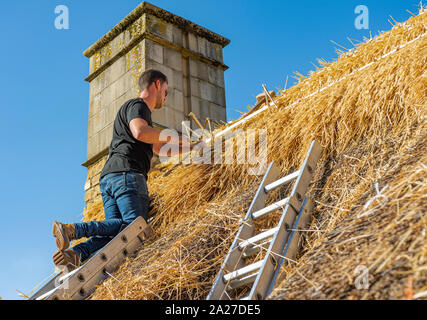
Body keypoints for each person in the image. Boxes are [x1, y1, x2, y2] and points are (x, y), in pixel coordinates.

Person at [52, 69, 195, 269]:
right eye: (166, 90)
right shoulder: (139, 106)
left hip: (111, 177)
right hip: (127, 174)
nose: (166, 96)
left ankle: (77, 253)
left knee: (119, 236)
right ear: (156, 84)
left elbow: (158, 147)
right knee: (135, 227)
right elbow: (140, 132)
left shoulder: (136, 112)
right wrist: (177, 137)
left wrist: (191, 147)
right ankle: (73, 230)